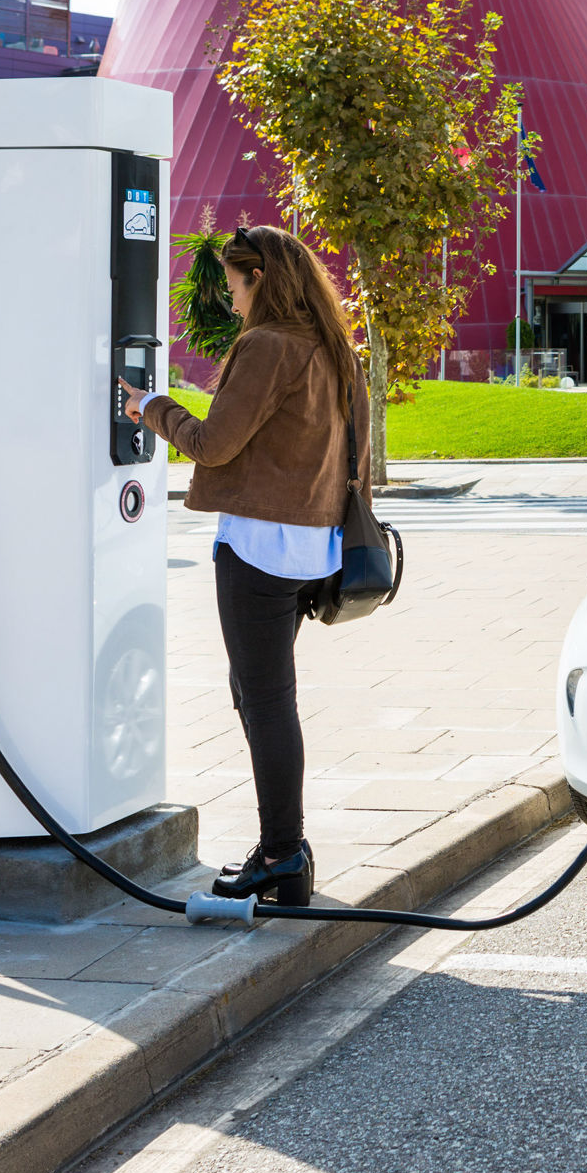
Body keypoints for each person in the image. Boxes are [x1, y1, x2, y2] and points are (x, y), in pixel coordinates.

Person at [117, 226, 369, 906]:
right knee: (256, 691)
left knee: (264, 698)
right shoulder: (332, 348)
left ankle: (284, 854)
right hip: (312, 550)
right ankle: (282, 847)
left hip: (259, 550)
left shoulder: (266, 346)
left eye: (233, 287)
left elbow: (213, 444)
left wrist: (151, 408)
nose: (231, 303)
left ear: (260, 277)